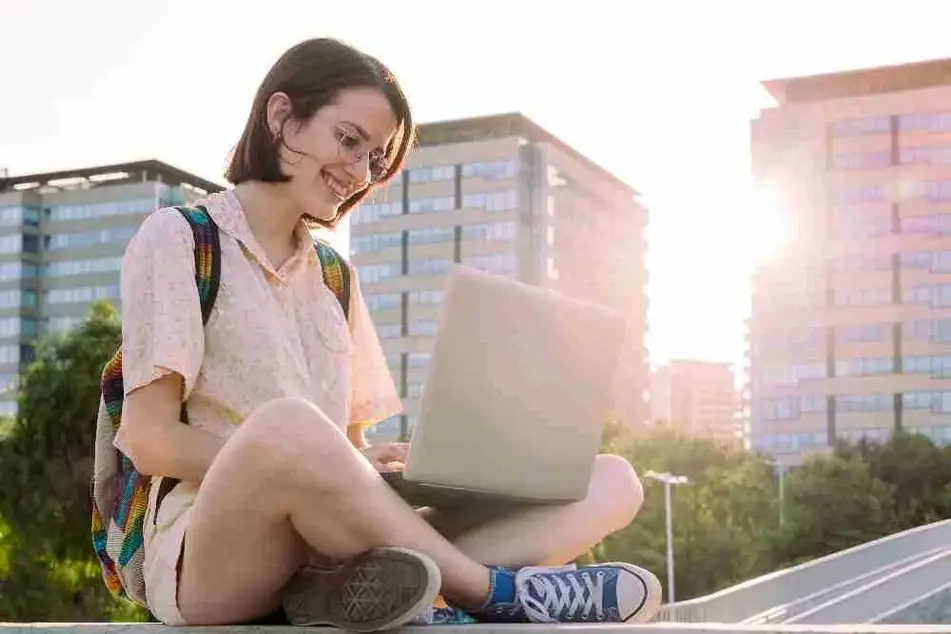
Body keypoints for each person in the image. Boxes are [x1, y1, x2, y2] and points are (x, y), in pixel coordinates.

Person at [117, 37, 662, 629]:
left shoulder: (334, 277)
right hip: (212, 554)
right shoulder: (180, 238)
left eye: (375, 158)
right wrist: (297, 462)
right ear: (281, 115)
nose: (358, 172)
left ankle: (382, 593)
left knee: (613, 481)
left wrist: (362, 464)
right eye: (349, 139)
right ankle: (488, 592)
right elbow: (148, 438)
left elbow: (345, 444)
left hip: (334, 549)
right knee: (289, 425)